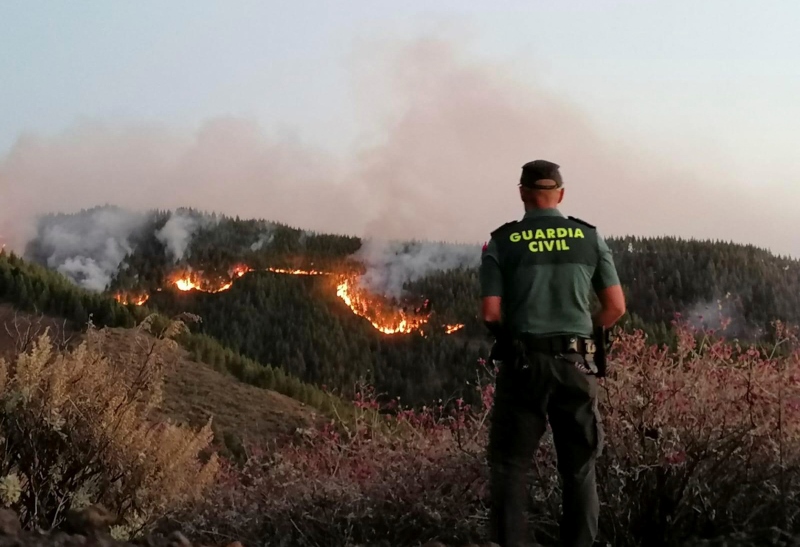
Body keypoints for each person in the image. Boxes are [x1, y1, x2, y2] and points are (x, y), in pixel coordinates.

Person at [479, 159, 626, 547]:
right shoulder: (589, 238)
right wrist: (588, 335)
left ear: (523, 193)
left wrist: (510, 338)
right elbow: (615, 307)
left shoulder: (502, 241)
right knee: (579, 468)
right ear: (560, 194)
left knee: (510, 466)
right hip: (576, 364)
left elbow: (491, 312)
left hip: (524, 365)